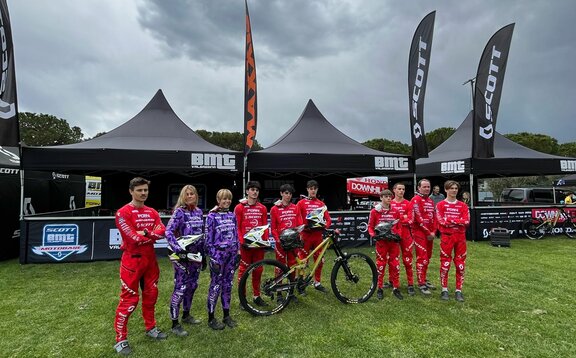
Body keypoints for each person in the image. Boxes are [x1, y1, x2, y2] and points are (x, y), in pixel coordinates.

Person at [113, 177, 167, 355]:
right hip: (132, 261)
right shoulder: (122, 212)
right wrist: (150, 235)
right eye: (139, 190)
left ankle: (151, 328)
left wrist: (145, 233)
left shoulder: (152, 211)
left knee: (151, 296)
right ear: (131, 191)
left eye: (145, 190)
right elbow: (131, 238)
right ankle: (120, 339)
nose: (143, 193)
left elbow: (162, 232)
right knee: (129, 300)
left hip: (150, 260)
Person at [164, 185, 205, 337]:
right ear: (182, 196)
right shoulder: (179, 212)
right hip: (181, 256)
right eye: (186, 194)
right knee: (180, 288)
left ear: (196, 195)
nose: (189, 196)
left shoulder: (199, 212)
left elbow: (200, 234)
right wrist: (177, 249)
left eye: (192, 194)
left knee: (193, 286)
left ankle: (186, 315)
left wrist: (203, 255)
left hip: (195, 256)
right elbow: (168, 232)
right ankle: (175, 323)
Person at [205, 189, 240, 330]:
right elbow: (208, 240)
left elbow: (236, 234)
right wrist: (213, 258)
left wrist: (238, 252)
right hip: (218, 256)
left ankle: (226, 315)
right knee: (215, 286)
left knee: (228, 285)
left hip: (231, 256)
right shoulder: (211, 216)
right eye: (223, 199)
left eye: (229, 199)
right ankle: (211, 318)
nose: (226, 201)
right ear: (218, 200)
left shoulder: (232, 215)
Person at [235, 181, 269, 307]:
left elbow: (265, 226)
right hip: (245, 246)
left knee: (258, 270)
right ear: (247, 191)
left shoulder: (263, 208)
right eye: (252, 189)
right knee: (243, 271)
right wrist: (241, 242)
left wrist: (265, 241)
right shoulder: (239, 207)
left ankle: (257, 296)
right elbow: (237, 227)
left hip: (258, 245)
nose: (255, 192)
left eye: (257, 190)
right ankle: (242, 298)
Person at [436, 180, 470, 302]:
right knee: (445, 264)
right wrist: (457, 221)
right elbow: (441, 222)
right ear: (446, 190)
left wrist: (451, 220)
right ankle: (444, 289)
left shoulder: (463, 205)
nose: (454, 190)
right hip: (447, 237)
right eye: (451, 188)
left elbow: (466, 222)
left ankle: (458, 290)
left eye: (456, 188)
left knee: (460, 265)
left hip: (460, 237)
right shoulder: (440, 205)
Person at [270, 184, 304, 302]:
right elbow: (273, 228)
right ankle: (279, 293)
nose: (288, 195)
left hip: (293, 243)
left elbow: (300, 224)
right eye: (286, 193)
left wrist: (299, 236)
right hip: (281, 244)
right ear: (281, 193)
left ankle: (291, 292)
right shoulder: (274, 209)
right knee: (279, 267)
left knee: (292, 266)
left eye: (290, 193)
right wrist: (278, 240)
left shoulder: (295, 207)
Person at [297, 180, 332, 293]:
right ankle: (300, 283)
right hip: (306, 235)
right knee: (302, 261)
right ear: (307, 189)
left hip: (317, 236)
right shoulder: (301, 203)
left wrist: (323, 227)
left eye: (315, 188)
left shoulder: (321, 204)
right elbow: (297, 218)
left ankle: (317, 283)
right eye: (311, 188)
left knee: (319, 260)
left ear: (317, 190)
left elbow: (328, 220)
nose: (313, 190)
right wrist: (303, 226)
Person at [368, 189, 404, 300]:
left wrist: (398, 235)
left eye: (390, 196)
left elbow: (399, 226)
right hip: (381, 242)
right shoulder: (375, 211)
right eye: (386, 196)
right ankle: (379, 288)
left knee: (395, 264)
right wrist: (374, 235)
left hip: (393, 242)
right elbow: (370, 226)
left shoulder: (396, 211)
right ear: (381, 198)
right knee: (381, 264)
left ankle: (395, 287)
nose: (389, 198)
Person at [410, 178, 437, 296]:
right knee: (422, 257)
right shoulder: (415, 200)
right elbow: (418, 218)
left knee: (428, 257)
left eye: (428, 187)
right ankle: (421, 283)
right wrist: (428, 232)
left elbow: (434, 217)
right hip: (419, 233)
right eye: (424, 187)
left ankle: (424, 279)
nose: (427, 189)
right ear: (418, 188)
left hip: (430, 234)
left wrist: (434, 231)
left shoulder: (431, 200)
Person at [390, 182, 415, 296]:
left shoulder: (408, 203)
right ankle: (392, 281)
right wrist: (402, 217)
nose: (401, 191)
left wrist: (399, 219)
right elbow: (388, 220)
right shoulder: (390, 203)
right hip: (393, 233)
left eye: (403, 189)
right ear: (394, 190)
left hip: (406, 234)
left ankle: (410, 284)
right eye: (399, 189)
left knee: (408, 259)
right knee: (392, 258)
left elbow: (410, 219)